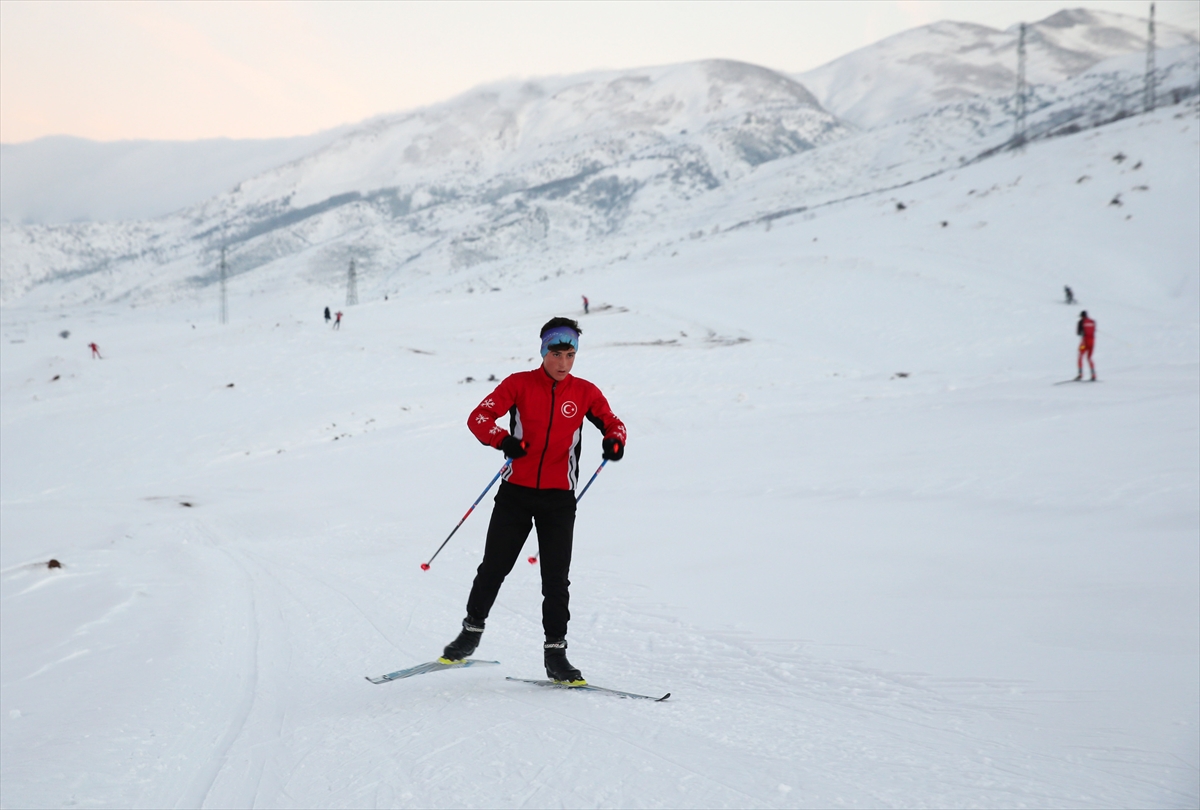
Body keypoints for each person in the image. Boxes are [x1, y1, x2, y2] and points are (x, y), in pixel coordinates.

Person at [441, 317, 627, 684]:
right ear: (543, 352)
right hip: (516, 495)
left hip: (559, 499)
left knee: (556, 580)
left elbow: (613, 423)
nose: (563, 362)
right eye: (556, 353)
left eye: (570, 354)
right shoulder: (519, 385)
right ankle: (470, 633)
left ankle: (556, 655)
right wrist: (503, 440)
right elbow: (478, 418)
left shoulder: (585, 392)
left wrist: (614, 442)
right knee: (494, 567)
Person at [1075, 310, 1096, 381]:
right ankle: (1093, 375)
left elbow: (1078, 333)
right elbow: (1094, 331)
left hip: (1084, 342)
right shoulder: (1092, 322)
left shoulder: (1081, 322)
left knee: (1080, 356)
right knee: (1089, 358)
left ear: (1082, 316)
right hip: (1092, 342)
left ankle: (1080, 374)